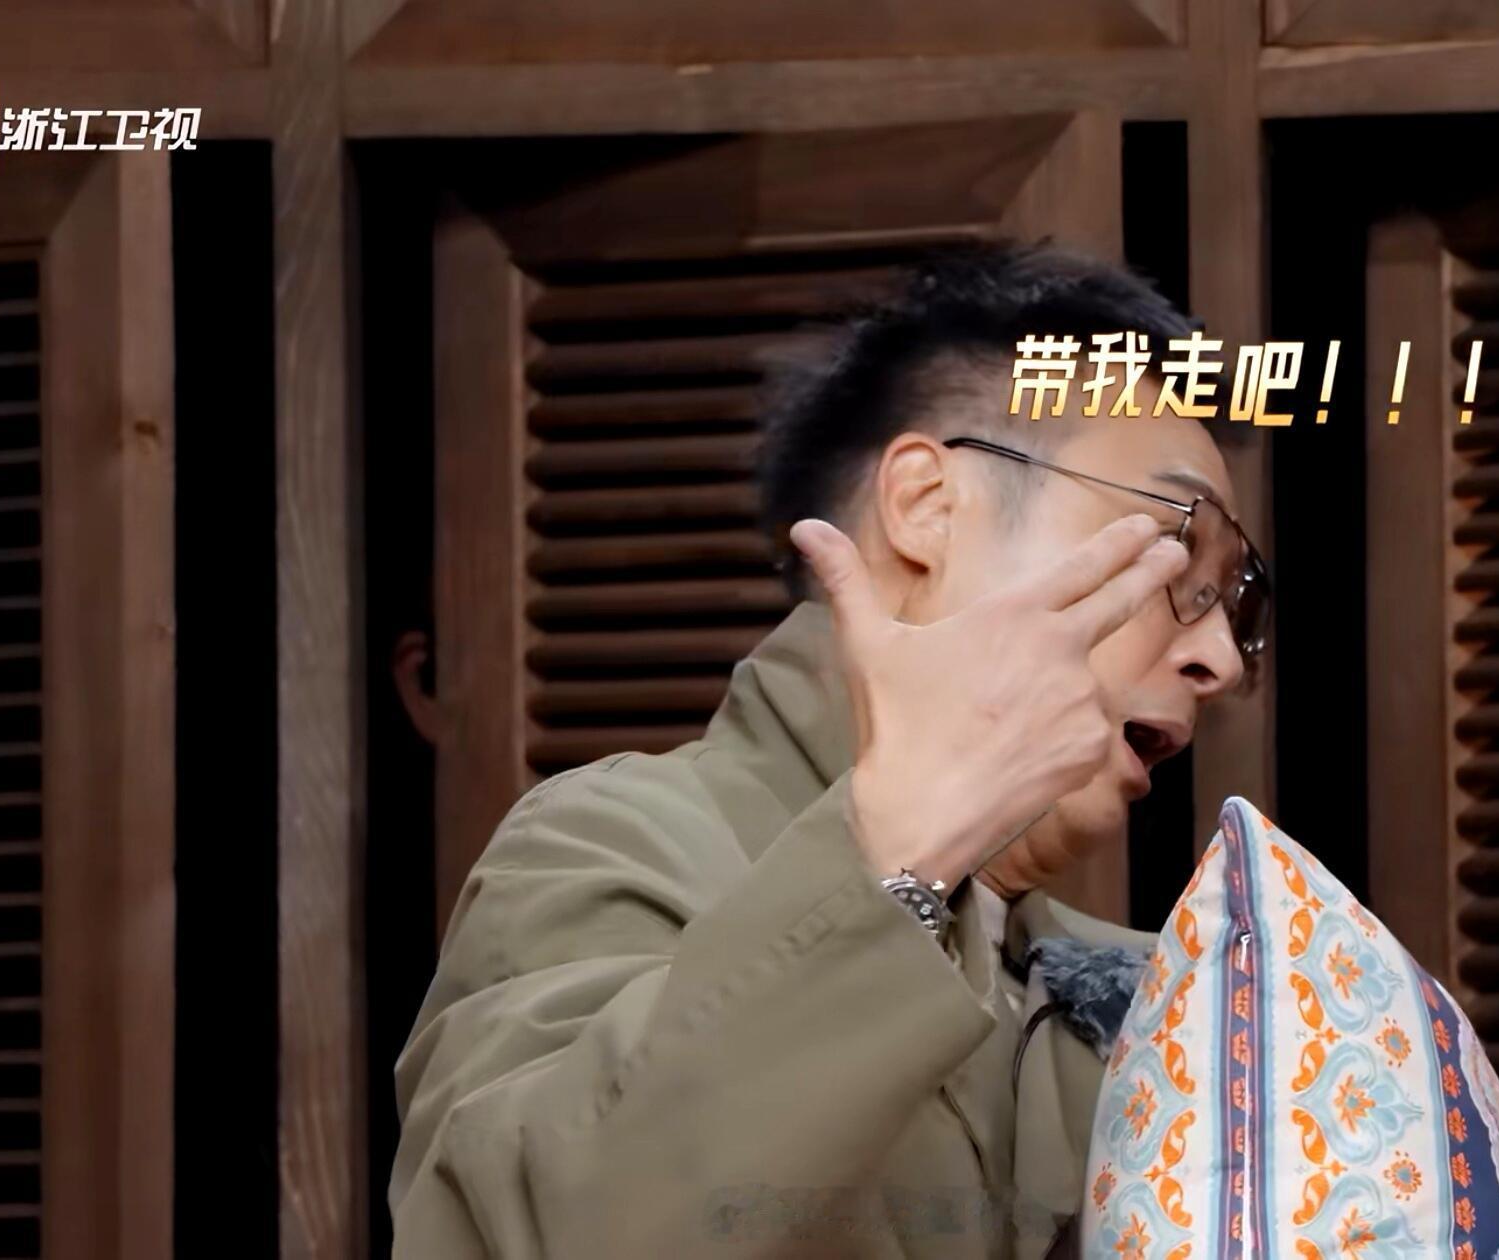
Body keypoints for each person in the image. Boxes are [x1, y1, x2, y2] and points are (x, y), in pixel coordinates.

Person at [388, 244, 1270, 1259]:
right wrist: (900, 849)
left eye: (1236, 604)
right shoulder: (607, 848)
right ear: (926, 506)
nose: (1217, 657)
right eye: (1174, 550)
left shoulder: (1159, 999)